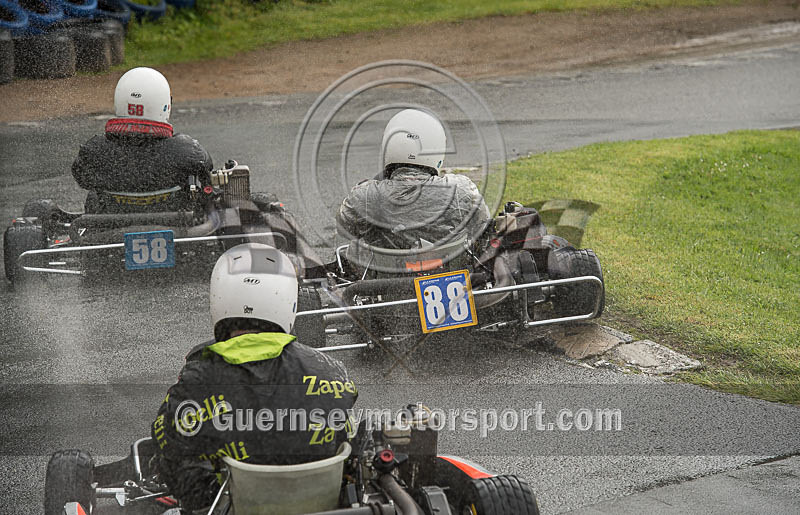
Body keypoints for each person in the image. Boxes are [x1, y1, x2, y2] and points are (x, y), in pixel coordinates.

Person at [151, 243, 357, 511]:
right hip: (319, 504)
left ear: (220, 297)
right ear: (288, 300)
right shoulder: (331, 371)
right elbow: (349, 441)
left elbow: (170, 452)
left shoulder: (195, 381)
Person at [337, 109, 491, 249]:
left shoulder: (365, 196)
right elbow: (482, 226)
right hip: (452, 275)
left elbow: (344, 229)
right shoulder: (460, 190)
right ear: (436, 148)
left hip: (385, 278)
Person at [72, 67, 213, 213]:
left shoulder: (94, 151)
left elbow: (82, 179)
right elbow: (206, 171)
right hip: (174, 223)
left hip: (112, 224)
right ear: (165, 104)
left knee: (94, 195)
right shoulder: (188, 152)